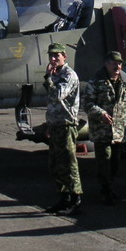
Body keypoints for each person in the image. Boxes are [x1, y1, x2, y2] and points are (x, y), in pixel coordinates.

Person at [83, 50, 126, 204]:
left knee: (115, 162)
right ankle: (105, 190)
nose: (117, 66)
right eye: (114, 63)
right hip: (102, 131)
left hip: (118, 131)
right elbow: (87, 103)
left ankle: (110, 187)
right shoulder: (96, 81)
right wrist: (100, 113)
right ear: (106, 64)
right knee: (104, 162)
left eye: (119, 63)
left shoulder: (125, 82)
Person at [43, 42, 83, 215]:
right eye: (51, 55)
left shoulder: (69, 75)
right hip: (55, 125)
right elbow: (51, 102)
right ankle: (64, 197)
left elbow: (58, 95)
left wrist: (49, 78)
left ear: (64, 56)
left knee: (68, 164)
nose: (53, 59)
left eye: (56, 55)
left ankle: (75, 199)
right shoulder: (55, 74)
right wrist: (49, 124)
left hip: (66, 125)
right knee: (55, 165)